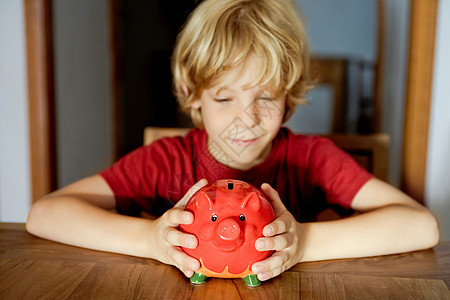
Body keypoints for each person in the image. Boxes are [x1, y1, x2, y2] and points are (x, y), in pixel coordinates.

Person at [26, 0, 439, 283]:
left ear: (289, 96)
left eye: (265, 96)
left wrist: (303, 242)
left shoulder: (312, 159)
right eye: (225, 97)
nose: (248, 117)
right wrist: (148, 240)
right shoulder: (165, 161)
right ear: (194, 94)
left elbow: (421, 226)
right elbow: (45, 215)